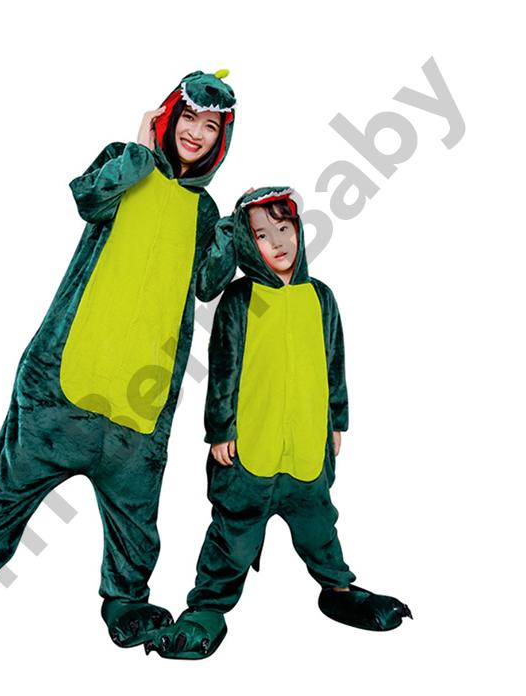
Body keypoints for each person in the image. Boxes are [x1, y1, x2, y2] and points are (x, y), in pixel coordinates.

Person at [0, 69, 238, 657]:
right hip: (62, 384)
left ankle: (126, 599)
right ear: (169, 117)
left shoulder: (205, 210)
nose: (196, 133)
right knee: (6, 492)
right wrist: (138, 150)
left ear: (222, 139)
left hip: (140, 401)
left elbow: (207, 284)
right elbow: (87, 198)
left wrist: (232, 230)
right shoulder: (127, 162)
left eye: (211, 127)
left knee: (135, 516)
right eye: (189, 118)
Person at [145, 187, 412, 660]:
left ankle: (338, 589)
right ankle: (207, 607)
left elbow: (334, 363)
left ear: (299, 231)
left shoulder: (321, 297)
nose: (278, 242)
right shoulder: (239, 300)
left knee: (320, 526)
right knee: (233, 536)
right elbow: (223, 368)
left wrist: (337, 420)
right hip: (250, 449)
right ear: (248, 245)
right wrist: (220, 429)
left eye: (284, 228)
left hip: (307, 445)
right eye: (262, 235)